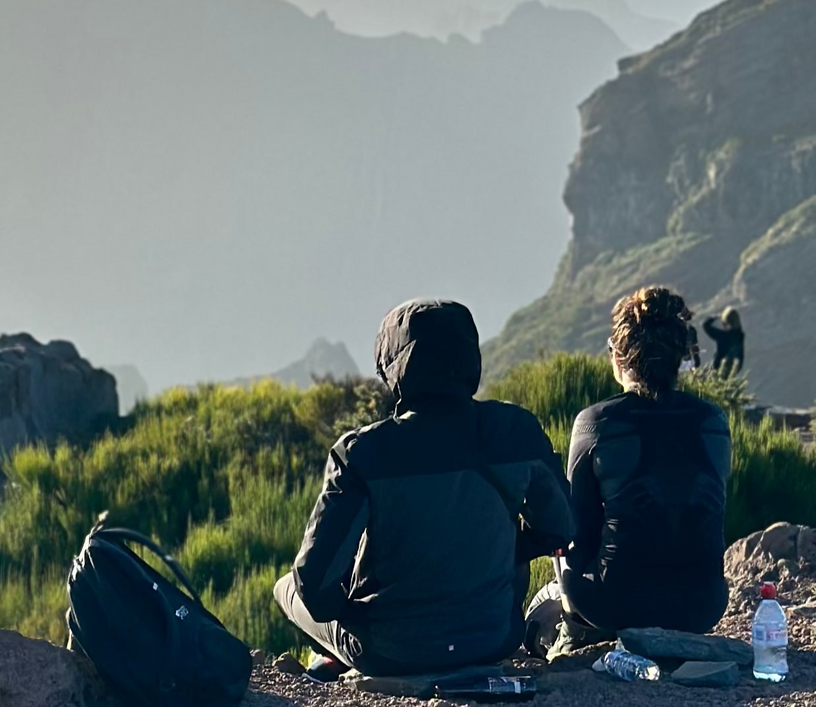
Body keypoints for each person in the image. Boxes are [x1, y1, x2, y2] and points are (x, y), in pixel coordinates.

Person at [274, 298, 572, 675]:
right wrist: (507, 549)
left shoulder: (361, 453)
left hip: (390, 653)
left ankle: (339, 656)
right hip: (493, 640)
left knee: (286, 587)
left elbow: (314, 589)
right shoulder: (516, 431)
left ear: (391, 367)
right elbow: (560, 527)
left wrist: (355, 616)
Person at [527, 285, 731, 649]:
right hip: (702, 607)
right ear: (680, 356)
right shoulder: (712, 421)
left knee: (561, 544)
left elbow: (577, 529)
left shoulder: (596, 422)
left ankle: (569, 634)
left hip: (611, 605)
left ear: (617, 357)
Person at [701, 307, 746, 375]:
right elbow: (739, 362)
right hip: (730, 374)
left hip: (716, 372)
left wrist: (717, 316)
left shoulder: (723, 337)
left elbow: (705, 325)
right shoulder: (740, 337)